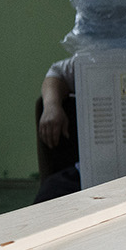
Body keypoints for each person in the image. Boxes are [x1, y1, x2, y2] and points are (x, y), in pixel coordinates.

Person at [34, 59, 82, 203]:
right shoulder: (96, 58)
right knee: (50, 193)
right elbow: (57, 74)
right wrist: (51, 106)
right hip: (87, 172)